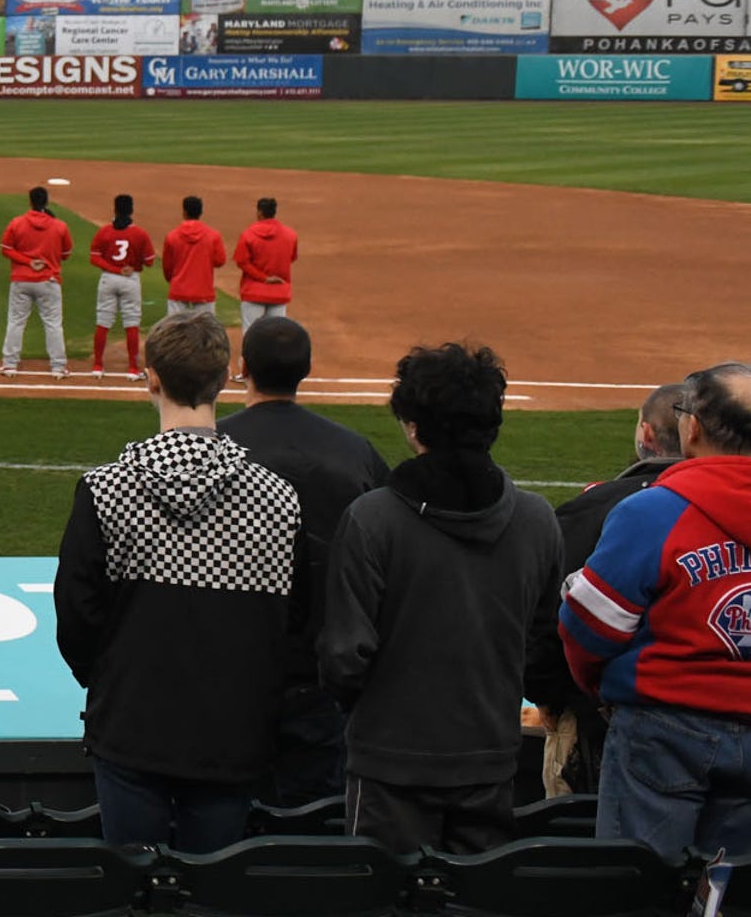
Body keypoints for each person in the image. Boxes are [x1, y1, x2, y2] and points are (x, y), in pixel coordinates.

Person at [52, 312, 303, 853]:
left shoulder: (106, 490)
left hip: (131, 725)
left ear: (152, 378)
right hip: (232, 729)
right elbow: (295, 621)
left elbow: (76, 612)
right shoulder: (277, 498)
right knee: (209, 887)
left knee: (132, 886)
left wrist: (108, 680)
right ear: (225, 380)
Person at [318, 342, 561, 853]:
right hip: (489, 757)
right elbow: (543, 641)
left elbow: (344, 655)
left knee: (385, 899)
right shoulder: (538, 520)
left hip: (390, 766)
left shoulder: (373, 519)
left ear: (412, 426)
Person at [562, 364, 751, 862]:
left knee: (639, 889)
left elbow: (588, 628)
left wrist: (600, 689)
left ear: (692, 429)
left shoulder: (654, 512)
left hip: (663, 730)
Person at [213, 316, 391, 806]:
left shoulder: (209, 448)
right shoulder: (355, 451)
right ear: (307, 369)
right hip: (323, 675)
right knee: (314, 829)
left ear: (241, 367)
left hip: (227, 671)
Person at [528, 383, 687, 797]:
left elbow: (548, 624)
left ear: (647, 435)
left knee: (584, 846)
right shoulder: (728, 510)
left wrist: (551, 698)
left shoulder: (592, 508)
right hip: (717, 720)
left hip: (593, 722)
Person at [0, 187, 72, 377]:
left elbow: (6, 249)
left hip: (21, 280)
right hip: (49, 280)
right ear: (46, 202)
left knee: (16, 322)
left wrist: (27, 261)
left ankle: (9, 364)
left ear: (30, 202)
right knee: (53, 324)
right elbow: (66, 254)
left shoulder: (17, 223)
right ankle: (58, 367)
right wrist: (46, 256)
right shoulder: (60, 226)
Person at [87, 194, 154, 377]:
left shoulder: (105, 232)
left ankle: (98, 366)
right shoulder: (140, 234)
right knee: (131, 323)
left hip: (108, 279)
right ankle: (133, 368)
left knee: (103, 321)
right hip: (130, 280)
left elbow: (94, 257)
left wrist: (113, 269)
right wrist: (134, 264)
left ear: (115, 209)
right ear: (131, 210)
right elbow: (149, 261)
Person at [160, 196, 227, 321]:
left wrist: (174, 280)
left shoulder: (172, 236)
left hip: (178, 290)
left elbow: (167, 267)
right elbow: (220, 261)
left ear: (184, 212)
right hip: (204, 290)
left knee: (175, 332)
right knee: (205, 333)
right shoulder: (213, 236)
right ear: (201, 213)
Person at [237, 197, 297, 324]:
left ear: (259, 212)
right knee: (276, 337)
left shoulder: (248, 234)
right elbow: (291, 258)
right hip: (279, 292)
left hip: (253, 293)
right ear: (274, 212)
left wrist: (264, 278)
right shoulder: (290, 235)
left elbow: (242, 262)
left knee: (251, 336)